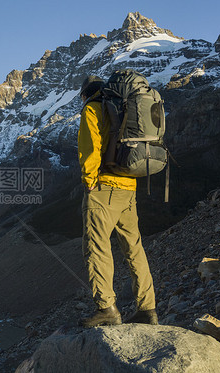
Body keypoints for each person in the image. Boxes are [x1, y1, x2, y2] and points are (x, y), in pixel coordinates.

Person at [77, 75, 158, 327]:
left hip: (103, 187)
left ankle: (107, 309)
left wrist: (90, 178)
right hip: (128, 185)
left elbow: (90, 146)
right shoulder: (122, 108)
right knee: (134, 247)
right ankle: (148, 309)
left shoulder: (92, 108)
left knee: (97, 247)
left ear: (85, 94)